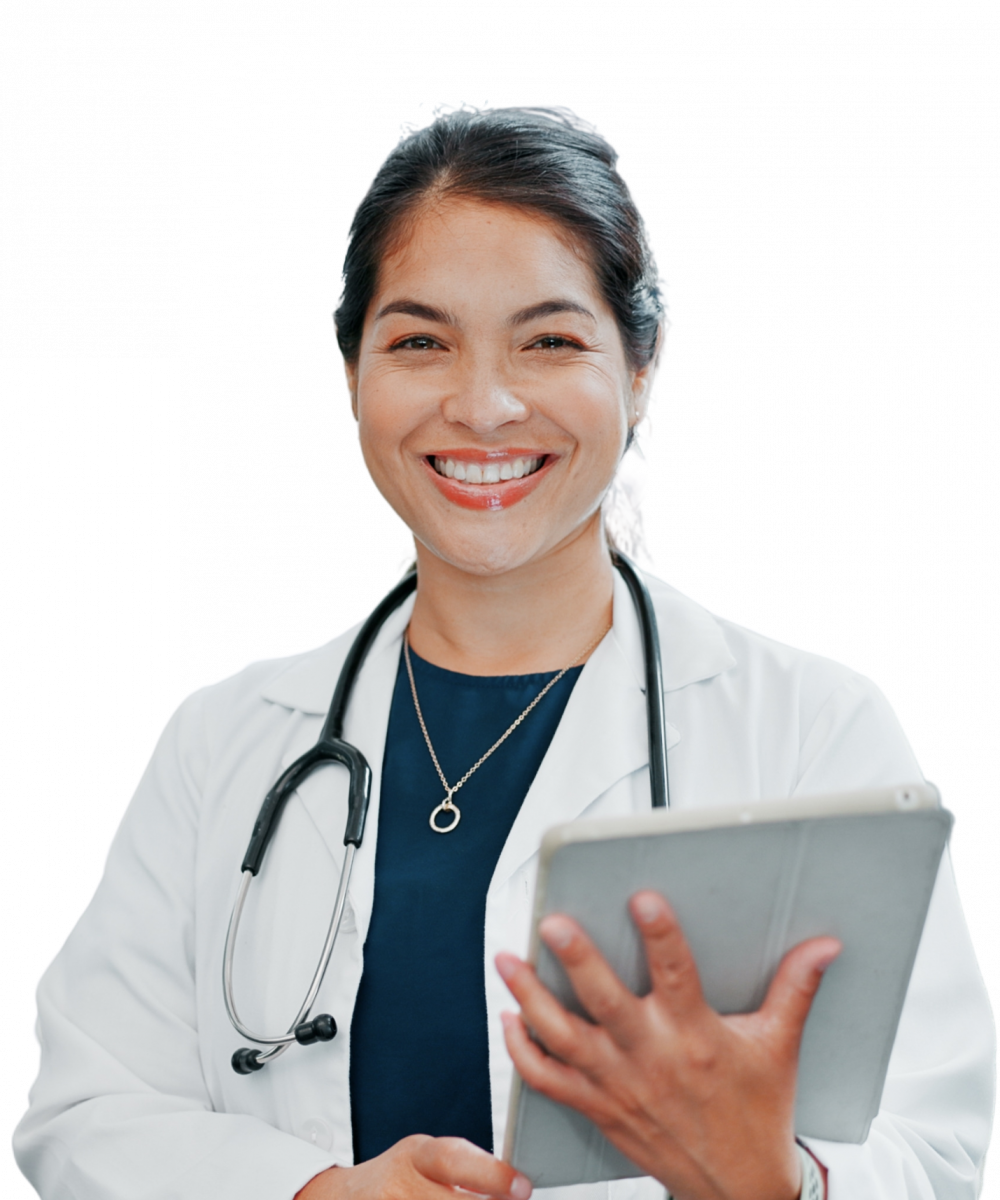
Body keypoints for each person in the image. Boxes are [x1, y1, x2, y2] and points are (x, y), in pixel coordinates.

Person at [12, 103, 994, 1200]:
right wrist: (312, 1195)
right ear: (351, 375)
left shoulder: (813, 725)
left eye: (550, 340)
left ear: (640, 369)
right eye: (420, 341)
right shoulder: (227, 736)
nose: (482, 406)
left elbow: (937, 1154)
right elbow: (84, 1116)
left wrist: (770, 1179)